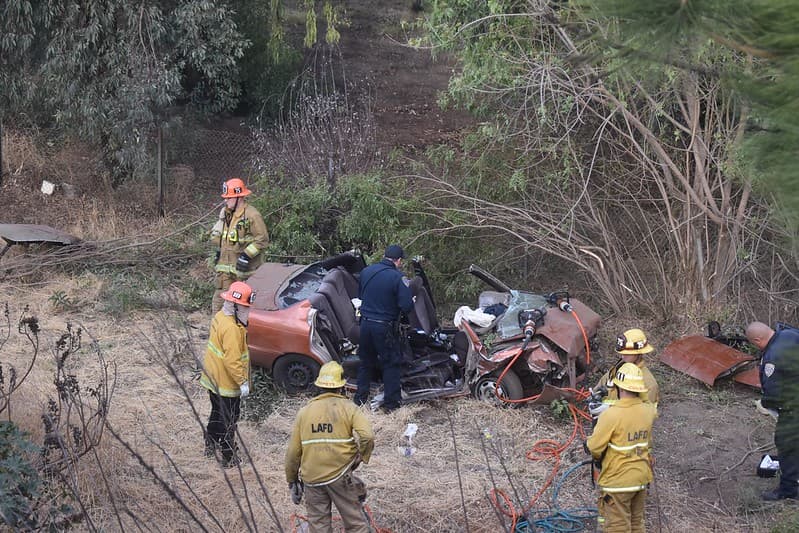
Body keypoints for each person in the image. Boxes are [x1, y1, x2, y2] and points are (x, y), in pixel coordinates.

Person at [285, 361, 375, 532]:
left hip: (312, 478)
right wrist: (362, 456)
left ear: (319, 385)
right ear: (341, 386)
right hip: (340, 475)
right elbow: (367, 436)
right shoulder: (349, 408)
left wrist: (292, 480)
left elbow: (293, 453)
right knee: (356, 524)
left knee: (319, 525)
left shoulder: (304, 412)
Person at [586, 362, 656, 532]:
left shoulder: (611, 415)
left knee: (617, 527)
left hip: (618, 482)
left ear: (618, 387)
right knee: (636, 523)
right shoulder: (648, 411)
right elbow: (646, 403)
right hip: (640, 478)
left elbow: (594, 447)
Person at [200, 281, 254, 467]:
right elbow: (233, 361)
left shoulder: (220, 316)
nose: (248, 311)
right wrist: (242, 382)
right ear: (236, 306)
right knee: (229, 420)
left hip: (212, 379)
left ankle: (210, 443)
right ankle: (229, 457)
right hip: (226, 384)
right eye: (245, 307)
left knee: (216, 412)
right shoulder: (232, 329)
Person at [354, 244, 414, 412]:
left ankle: (360, 400)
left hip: (365, 325)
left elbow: (360, 296)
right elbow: (407, 306)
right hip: (384, 327)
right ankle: (391, 405)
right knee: (390, 364)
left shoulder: (366, 272)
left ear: (384, 256)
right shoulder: (398, 277)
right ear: (399, 260)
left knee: (366, 362)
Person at [745, 321, 799, 500]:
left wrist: (765, 403)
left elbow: (774, 394)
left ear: (757, 340)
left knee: (786, 443)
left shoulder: (772, 358)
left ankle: (789, 490)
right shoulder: (790, 334)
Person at [210, 177, 268, 312]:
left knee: (240, 309)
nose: (226, 201)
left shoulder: (252, 215)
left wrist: (246, 256)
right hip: (225, 272)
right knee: (218, 305)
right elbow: (224, 237)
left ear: (239, 197)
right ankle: (218, 327)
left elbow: (262, 240)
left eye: (229, 198)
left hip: (243, 273)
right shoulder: (227, 214)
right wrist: (220, 250)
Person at [593, 328, 660, 416]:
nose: (622, 356)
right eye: (622, 353)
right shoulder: (618, 367)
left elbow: (643, 415)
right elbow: (602, 385)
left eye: (627, 353)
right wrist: (594, 399)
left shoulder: (649, 384)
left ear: (639, 353)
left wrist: (611, 410)